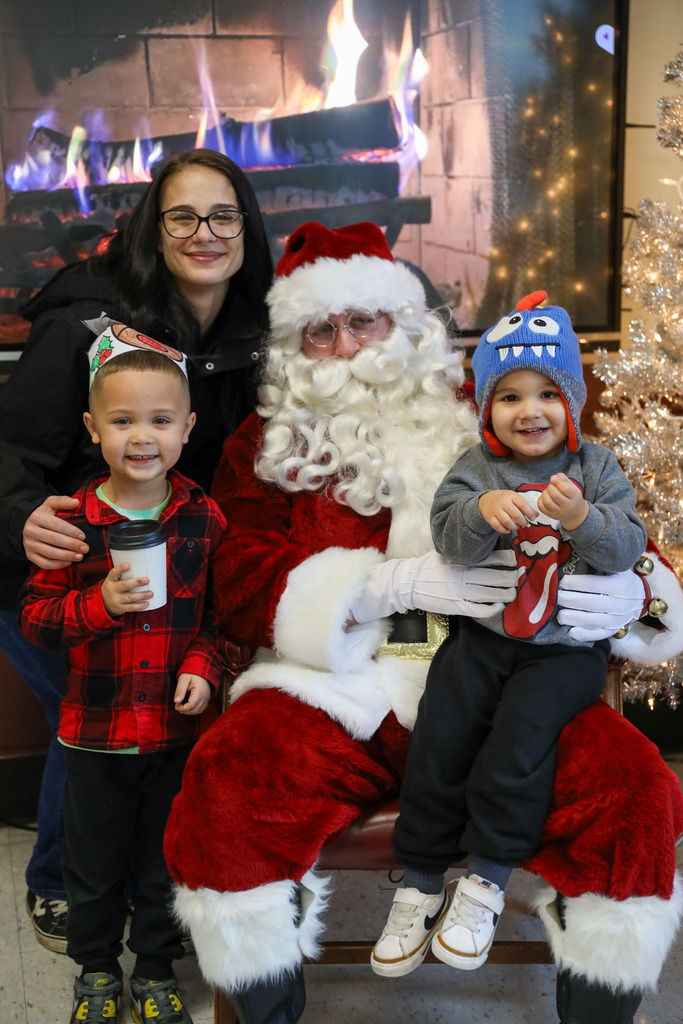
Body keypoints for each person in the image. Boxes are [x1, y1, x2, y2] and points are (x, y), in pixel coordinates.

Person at [163, 221, 683, 1024]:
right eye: (321, 329)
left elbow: (610, 518)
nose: (345, 347)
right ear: (297, 345)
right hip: (337, 693)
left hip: (508, 689)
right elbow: (234, 580)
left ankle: (599, 1009)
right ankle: (264, 1008)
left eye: (363, 320)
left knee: (635, 789)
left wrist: (635, 594)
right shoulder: (263, 447)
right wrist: (378, 586)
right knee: (229, 780)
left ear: (404, 325)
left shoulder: (497, 405)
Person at [0, 147, 273, 951]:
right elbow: (12, 451)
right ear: (151, 230)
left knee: (170, 714)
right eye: (181, 215)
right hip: (57, 572)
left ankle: (155, 890)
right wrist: (21, 520)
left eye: (223, 216)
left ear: (247, 230)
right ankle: (60, 882)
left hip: (175, 575)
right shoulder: (86, 320)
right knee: (90, 712)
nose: (204, 234)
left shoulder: (261, 329)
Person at [371, 292, 647, 978]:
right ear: (486, 406)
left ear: (573, 401)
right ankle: (420, 879)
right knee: (439, 731)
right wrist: (478, 510)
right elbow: (446, 535)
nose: (530, 410)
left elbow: (624, 548)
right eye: (510, 396)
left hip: (562, 653)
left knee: (517, 746)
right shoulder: (477, 467)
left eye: (548, 393)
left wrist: (582, 519)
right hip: (483, 641)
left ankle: (487, 879)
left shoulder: (597, 469)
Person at [19, 334, 226, 1024]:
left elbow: (216, 620)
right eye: (123, 420)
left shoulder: (204, 517)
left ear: (187, 428)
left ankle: (158, 968)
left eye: (161, 421)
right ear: (92, 429)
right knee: (94, 866)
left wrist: (201, 666)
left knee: (163, 861)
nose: (143, 437)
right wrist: (97, 605)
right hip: (95, 732)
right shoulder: (73, 523)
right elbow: (38, 622)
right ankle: (98, 968)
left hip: (172, 732)